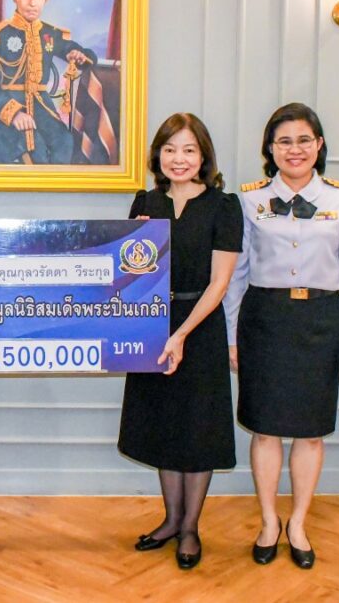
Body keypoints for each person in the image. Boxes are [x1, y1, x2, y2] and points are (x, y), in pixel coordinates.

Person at [224, 102, 339, 569]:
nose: (295, 149)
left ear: (319, 145)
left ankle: (299, 523)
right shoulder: (249, 200)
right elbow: (236, 274)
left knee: (310, 433)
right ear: (270, 148)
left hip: (320, 322)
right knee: (265, 428)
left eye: (304, 140)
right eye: (284, 141)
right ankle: (269, 521)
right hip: (264, 321)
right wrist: (231, 334)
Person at [117, 113, 243, 570]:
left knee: (198, 427)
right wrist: (134, 237)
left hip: (199, 327)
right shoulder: (145, 201)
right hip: (152, 326)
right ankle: (170, 520)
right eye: (170, 149)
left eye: (189, 149)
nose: (179, 158)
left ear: (203, 155)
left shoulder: (223, 206)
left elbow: (220, 282)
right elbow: (127, 272)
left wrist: (182, 333)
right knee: (163, 424)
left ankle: (190, 527)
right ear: (158, 155)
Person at [0, 0, 97, 165]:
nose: (32, 3)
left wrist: (78, 54)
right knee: (35, 152)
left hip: (41, 106)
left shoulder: (49, 33)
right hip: (6, 110)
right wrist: (15, 114)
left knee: (64, 141)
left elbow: (72, 49)